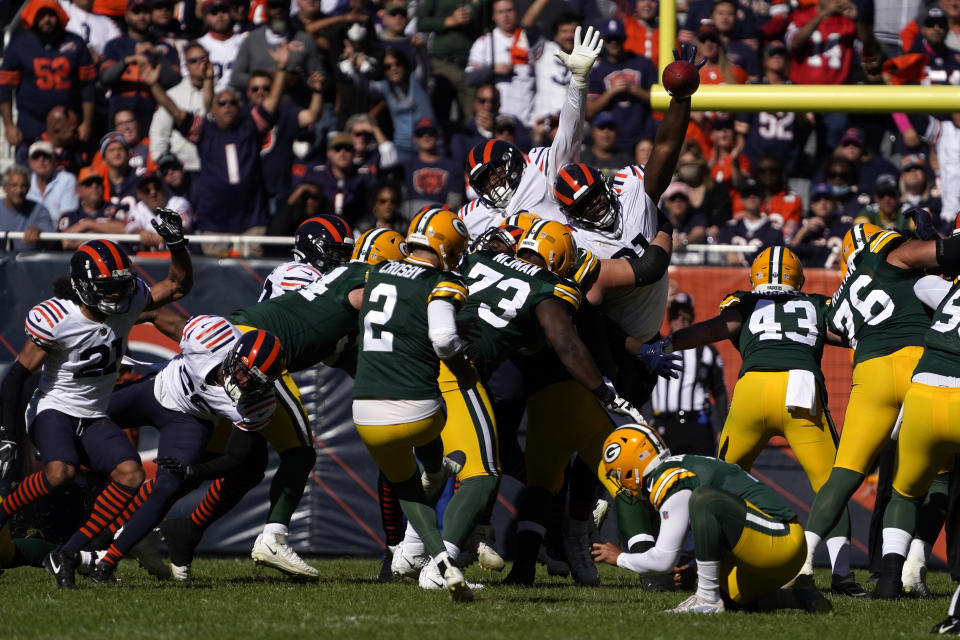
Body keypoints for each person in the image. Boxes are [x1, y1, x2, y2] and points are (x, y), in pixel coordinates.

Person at [158, 227, 408, 581]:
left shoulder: (335, 283)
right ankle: (273, 536)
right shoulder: (308, 276)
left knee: (238, 466)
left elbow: (333, 345)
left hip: (250, 354)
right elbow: (307, 321)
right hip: (256, 357)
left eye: (345, 252)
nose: (340, 258)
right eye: (335, 251)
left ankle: (147, 533)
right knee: (298, 451)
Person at [650, 245, 860, 595]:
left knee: (714, 485)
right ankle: (842, 576)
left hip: (752, 392)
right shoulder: (815, 304)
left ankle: (700, 566)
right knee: (830, 487)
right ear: (798, 276)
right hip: (801, 391)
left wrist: (669, 342)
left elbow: (715, 328)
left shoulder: (744, 302)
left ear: (755, 277)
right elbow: (847, 335)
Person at [0, 225, 192, 590]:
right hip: (53, 408)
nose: (119, 295)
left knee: (131, 475)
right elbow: (16, 378)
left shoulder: (131, 298)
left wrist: (178, 245)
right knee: (60, 472)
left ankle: (67, 554)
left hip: (93, 414)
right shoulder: (58, 318)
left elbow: (178, 285)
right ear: (84, 287)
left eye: (122, 285)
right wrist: (8, 434)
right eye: (109, 288)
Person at [804, 222, 950, 599]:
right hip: (919, 363)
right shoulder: (890, 249)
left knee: (844, 474)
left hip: (870, 373)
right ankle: (911, 565)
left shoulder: (846, 289)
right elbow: (935, 255)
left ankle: (801, 561)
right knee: (936, 473)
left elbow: (834, 329)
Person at [84, 325, 283, 584]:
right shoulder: (210, 337)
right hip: (157, 388)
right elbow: (156, 313)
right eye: (244, 372)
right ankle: (84, 541)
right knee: (83, 415)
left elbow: (236, 458)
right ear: (233, 355)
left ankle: (106, 563)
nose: (245, 383)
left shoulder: (260, 403)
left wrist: (193, 471)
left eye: (255, 381)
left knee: (169, 484)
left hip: (188, 420)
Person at [352, 208, 476, 601]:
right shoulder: (440, 282)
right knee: (434, 422)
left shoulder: (376, 272)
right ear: (446, 246)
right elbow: (443, 338)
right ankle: (438, 468)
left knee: (407, 489)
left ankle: (441, 563)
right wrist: (464, 368)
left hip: (365, 412)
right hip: (420, 411)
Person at [592, 424, 829, 614]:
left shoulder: (669, 478)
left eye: (617, 473)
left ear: (629, 466)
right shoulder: (677, 467)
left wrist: (619, 558)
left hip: (780, 541)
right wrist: (696, 570)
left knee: (704, 500)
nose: (619, 482)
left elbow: (664, 560)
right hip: (771, 547)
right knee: (731, 599)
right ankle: (796, 597)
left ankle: (706, 599)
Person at [458, 25, 603, 237]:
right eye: (485, 178)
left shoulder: (539, 169)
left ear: (512, 161)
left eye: (496, 170)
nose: (494, 180)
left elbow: (568, 133)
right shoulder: (470, 215)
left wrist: (579, 83)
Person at [145, 44, 288, 256]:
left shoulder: (250, 125)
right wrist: (154, 86)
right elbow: (174, 110)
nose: (227, 106)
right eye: (222, 103)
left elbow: (272, 104)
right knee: (216, 279)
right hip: (214, 221)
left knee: (249, 277)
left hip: (251, 219)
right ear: (212, 108)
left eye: (232, 103)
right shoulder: (204, 130)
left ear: (239, 107)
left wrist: (282, 68)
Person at [0, 0, 96, 154]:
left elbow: (88, 86)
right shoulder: (19, 44)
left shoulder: (75, 42)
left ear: (59, 15)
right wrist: (9, 126)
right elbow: (5, 88)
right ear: (33, 16)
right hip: (30, 129)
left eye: (51, 14)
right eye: (42, 15)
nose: (47, 20)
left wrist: (87, 123)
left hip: (69, 128)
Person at [649, 292, 727, 456]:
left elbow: (719, 392)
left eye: (685, 315)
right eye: (676, 315)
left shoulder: (707, 352)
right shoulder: (655, 349)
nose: (681, 319)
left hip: (696, 426)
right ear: (669, 317)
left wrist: (723, 427)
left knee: (703, 478)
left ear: (692, 317)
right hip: (663, 426)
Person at [100, 0, 181, 131]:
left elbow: (174, 81)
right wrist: (127, 61)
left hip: (153, 115)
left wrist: (157, 56)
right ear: (126, 16)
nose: (142, 16)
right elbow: (105, 78)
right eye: (136, 12)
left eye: (146, 12)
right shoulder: (114, 46)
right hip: (121, 114)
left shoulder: (164, 46)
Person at [230, 0, 324, 108]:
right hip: (259, 112)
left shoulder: (304, 39)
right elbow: (236, 78)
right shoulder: (251, 39)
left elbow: (319, 75)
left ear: (289, 9)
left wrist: (303, 81)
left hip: (294, 110)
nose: (278, 11)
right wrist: (272, 78)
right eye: (274, 6)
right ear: (266, 9)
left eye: (283, 6)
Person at [465, 0, 541, 127]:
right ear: (494, 16)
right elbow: (469, 78)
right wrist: (492, 69)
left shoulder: (531, 40)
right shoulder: (484, 43)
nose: (505, 16)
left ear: (517, 13)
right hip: (497, 122)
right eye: (500, 12)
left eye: (509, 11)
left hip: (528, 119)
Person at [586, 19, 658, 150]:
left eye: (617, 38)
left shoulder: (642, 63)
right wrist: (611, 92)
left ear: (624, 39)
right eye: (610, 39)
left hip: (642, 137)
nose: (614, 43)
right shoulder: (597, 71)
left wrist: (634, 90)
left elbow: (659, 99)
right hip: (613, 141)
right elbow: (590, 110)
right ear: (603, 41)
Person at [148, 41, 213, 172]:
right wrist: (162, 161)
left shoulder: (224, 94)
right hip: (183, 170)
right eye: (194, 60)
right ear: (186, 65)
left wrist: (209, 81)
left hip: (215, 166)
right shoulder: (173, 95)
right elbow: (159, 133)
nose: (200, 64)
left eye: (203, 59)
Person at [416, 0, 483, 124]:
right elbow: (421, 22)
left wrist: (473, 21)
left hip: (471, 65)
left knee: (471, 118)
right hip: (443, 63)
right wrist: (449, 21)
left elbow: (489, 22)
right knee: (441, 115)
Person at [297, 132, 377, 227]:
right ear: (329, 153)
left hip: (355, 229)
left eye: (347, 149)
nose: (342, 153)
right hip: (320, 226)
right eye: (337, 149)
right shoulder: (316, 175)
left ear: (353, 153)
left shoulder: (364, 176)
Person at [400, 117, 463, 219]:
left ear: (438, 136)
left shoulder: (453, 167)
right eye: (421, 132)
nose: (426, 135)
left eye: (431, 132)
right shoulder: (405, 167)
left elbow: (454, 203)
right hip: (409, 220)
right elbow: (400, 201)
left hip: (440, 220)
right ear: (414, 138)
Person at [716, 178, 783, 265]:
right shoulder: (730, 228)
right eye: (746, 194)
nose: (751, 197)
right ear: (741, 198)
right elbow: (718, 252)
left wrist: (742, 259)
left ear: (763, 198)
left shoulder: (773, 231)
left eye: (756, 193)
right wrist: (727, 253)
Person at [57, 166, 127, 250]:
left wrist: (87, 224)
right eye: (88, 184)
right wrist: (102, 232)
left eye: (98, 183)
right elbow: (67, 243)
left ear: (103, 187)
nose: (94, 186)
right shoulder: (69, 217)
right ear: (79, 190)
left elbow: (124, 229)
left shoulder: (117, 209)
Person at [790, 182, 852, 268]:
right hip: (809, 278)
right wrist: (804, 230)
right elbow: (790, 252)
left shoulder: (845, 225)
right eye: (817, 199)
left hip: (837, 277)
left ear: (834, 203)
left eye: (827, 198)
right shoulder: (804, 225)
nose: (823, 203)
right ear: (811, 205)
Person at [531, 13, 579, 125]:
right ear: (556, 37)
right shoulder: (544, 50)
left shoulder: (588, 58)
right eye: (564, 31)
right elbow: (528, 24)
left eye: (573, 31)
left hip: (574, 125)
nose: (569, 36)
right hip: (544, 122)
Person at [197, 0, 248, 91]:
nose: (220, 16)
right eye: (214, 12)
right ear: (205, 18)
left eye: (224, 11)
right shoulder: (198, 46)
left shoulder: (246, 42)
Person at [0, 165, 52, 253]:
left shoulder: (39, 210)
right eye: (14, 185)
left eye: (23, 186)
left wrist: (39, 231)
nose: (19, 190)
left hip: (29, 264)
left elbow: (51, 237)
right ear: (5, 188)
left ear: (28, 188)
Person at [26, 140, 78, 228]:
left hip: (57, 236)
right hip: (28, 235)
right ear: (30, 162)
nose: (41, 160)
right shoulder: (25, 181)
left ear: (54, 160)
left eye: (46, 156)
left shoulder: (67, 180)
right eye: (36, 156)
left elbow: (67, 219)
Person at [580, 111, 633, 179]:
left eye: (610, 128)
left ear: (616, 133)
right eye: (601, 127)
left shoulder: (627, 161)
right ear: (592, 132)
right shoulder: (581, 159)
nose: (606, 132)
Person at [662, 182, 707, 250]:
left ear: (688, 202)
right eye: (673, 198)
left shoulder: (697, 218)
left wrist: (684, 241)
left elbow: (699, 234)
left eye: (682, 197)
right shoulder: (660, 220)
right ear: (666, 203)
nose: (678, 201)